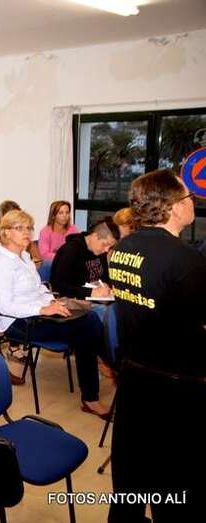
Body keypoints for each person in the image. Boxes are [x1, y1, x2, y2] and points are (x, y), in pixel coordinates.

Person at [107, 169, 205, 522]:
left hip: (135, 377)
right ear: (172, 208)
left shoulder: (122, 248)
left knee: (132, 477)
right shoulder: (185, 259)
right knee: (175, 482)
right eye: (187, 198)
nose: (192, 202)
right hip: (177, 386)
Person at [0, 210, 111, 419]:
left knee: (87, 324)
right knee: (88, 325)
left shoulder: (24, 256)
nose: (27, 233)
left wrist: (51, 300)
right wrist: (42, 309)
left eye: (28, 228)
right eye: (20, 228)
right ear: (5, 233)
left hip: (38, 314)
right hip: (18, 322)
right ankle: (104, 377)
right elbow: (6, 306)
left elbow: (39, 287)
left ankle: (100, 381)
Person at [50, 218, 119, 300]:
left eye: (110, 247)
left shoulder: (100, 252)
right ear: (94, 236)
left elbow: (105, 278)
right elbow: (58, 286)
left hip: (97, 298)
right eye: (104, 244)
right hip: (75, 301)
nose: (107, 250)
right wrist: (90, 292)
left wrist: (107, 285)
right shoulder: (70, 250)